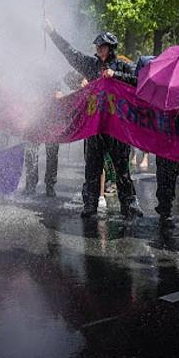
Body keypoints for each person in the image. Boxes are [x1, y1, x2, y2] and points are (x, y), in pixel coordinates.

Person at [44, 20, 143, 219]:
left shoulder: (124, 66)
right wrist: (52, 31)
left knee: (122, 168)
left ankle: (129, 205)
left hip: (117, 126)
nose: (99, 49)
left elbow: (140, 80)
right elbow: (70, 53)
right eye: (97, 46)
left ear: (111, 48)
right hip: (95, 126)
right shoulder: (91, 65)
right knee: (92, 167)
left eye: (102, 46)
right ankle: (90, 204)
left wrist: (116, 75)